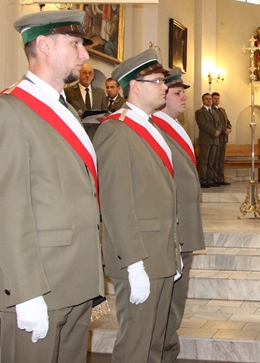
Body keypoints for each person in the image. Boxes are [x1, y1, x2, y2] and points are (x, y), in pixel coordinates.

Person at [0, 10, 104, 363]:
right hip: (40, 283)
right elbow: (6, 211)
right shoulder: (8, 110)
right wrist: (27, 292)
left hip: (76, 278)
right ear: (45, 45)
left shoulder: (65, 110)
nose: (84, 54)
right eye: (75, 44)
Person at [94, 49, 179, 363]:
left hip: (160, 253)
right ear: (135, 86)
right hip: (140, 256)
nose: (164, 87)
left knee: (154, 343)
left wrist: (172, 251)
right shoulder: (116, 131)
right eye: (157, 81)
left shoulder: (150, 126)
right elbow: (115, 203)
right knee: (135, 345)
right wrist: (133, 264)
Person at [152, 68, 206, 363]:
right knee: (166, 303)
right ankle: (161, 353)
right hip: (172, 226)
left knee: (176, 300)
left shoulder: (173, 125)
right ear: (162, 97)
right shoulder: (155, 127)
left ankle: (167, 352)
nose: (184, 97)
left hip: (184, 224)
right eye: (177, 92)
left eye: (183, 92)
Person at [65, 63, 107, 140]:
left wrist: (103, 119)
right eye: (84, 72)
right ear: (79, 74)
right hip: (76, 132)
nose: (87, 75)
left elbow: (105, 111)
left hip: (95, 134)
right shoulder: (68, 92)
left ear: (93, 76)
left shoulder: (100, 92)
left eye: (90, 73)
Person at [195, 93, 221, 187]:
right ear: (203, 101)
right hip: (206, 139)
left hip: (215, 140)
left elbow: (219, 123)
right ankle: (203, 180)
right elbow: (203, 124)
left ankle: (210, 179)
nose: (209, 100)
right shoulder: (199, 112)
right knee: (204, 160)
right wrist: (214, 132)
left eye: (210, 99)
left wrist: (218, 131)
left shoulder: (214, 112)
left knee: (212, 161)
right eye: (207, 99)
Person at [211, 91, 232, 185]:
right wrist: (224, 130)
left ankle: (221, 178)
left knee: (221, 159)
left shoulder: (222, 110)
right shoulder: (211, 110)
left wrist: (229, 128)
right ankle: (215, 178)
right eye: (215, 98)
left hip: (224, 138)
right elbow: (217, 123)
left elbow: (227, 121)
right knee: (215, 159)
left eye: (218, 98)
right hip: (217, 138)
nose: (217, 100)